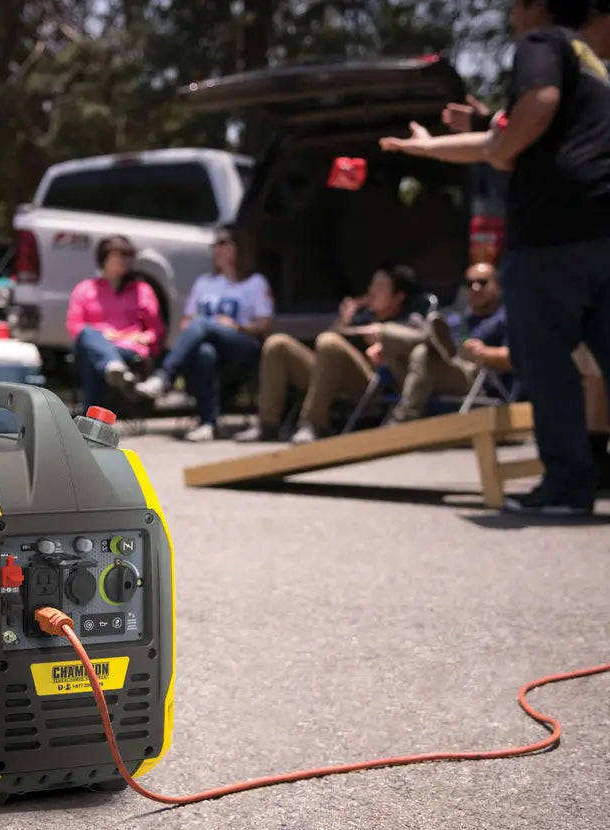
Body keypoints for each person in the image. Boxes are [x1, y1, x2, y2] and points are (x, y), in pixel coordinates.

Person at [380, 0, 610, 516]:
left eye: (514, 7)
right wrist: (429, 148)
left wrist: (502, 146)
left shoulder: (542, 42)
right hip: (600, 230)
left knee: (543, 361)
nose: (510, 18)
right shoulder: (590, 62)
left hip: (552, 235)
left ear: (535, 5)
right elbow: (499, 137)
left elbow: (532, 110)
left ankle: (568, 488)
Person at [234, 264, 420, 443]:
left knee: (329, 342)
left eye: (380, 287)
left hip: (370, 379)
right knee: (277, 344)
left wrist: (383, 345)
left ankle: (313, 423)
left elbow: (414, 355)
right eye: (372, 285)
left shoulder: (407, 322)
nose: (372, 291)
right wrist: (343, 320)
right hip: (327, 374)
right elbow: (326, 342)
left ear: (398, 296)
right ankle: (267, 423)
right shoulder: (363, 316)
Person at [134, 224, 274, 441]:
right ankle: (208, 423)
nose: (216, 249)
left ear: (238, 246)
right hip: (210, 346)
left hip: (241, 345)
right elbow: (187, 320)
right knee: (204, 352)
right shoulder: (205, 283)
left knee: (203, 324)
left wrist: (236, 326)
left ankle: (164, 377)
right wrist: (196, 326)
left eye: (222, 243)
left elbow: (264, 323)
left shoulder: (255, 283)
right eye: (214, 245)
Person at [386, 263, 514, 423]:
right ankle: (431, 340)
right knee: (414, 347)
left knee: (419, 349)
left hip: (476, 380)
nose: (475, 287)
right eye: (469, 283)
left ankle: (428, 339)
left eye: (482, 282)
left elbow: (515, 358)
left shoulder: (506, 319)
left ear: (498, 287)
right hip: (443, 371)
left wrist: (485, 353)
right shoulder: (451, 318)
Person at [66, 235, 166, 413]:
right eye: (120, 256)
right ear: (105, 258)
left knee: (92, 359)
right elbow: (75, 326)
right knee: (88, 335)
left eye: (128, 256)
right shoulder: (85, 289)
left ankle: (91, 418)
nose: (125, 261)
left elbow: (156, 329)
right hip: (96, 344)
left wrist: (145, 337)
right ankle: (112, 366)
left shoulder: (142, 290)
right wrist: (102, 337)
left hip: (128, 348)